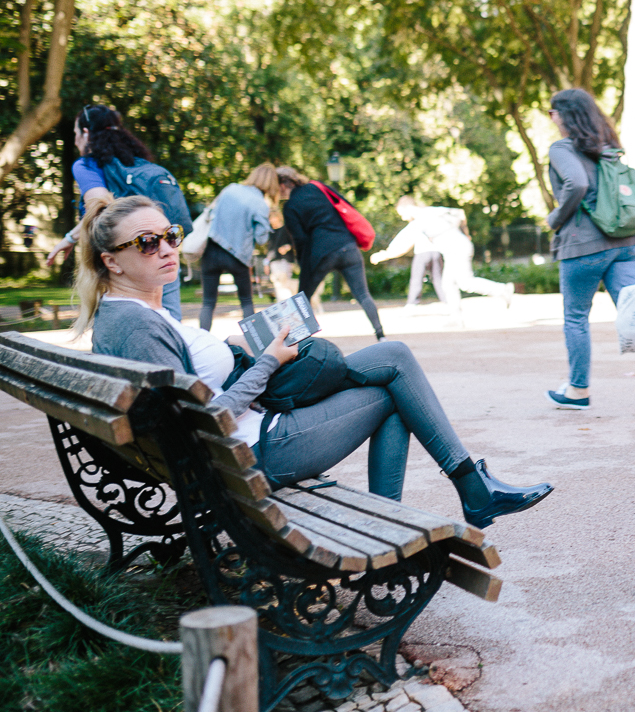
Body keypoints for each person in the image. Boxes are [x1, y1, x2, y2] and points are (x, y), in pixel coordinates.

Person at [74, 195, 553, 525]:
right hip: (252, 454)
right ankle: (447, 500)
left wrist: (239, 352)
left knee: (394, 361)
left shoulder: (130, 313)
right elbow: (202, 419)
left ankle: (458, 496)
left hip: (239, 446)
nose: (166, 249)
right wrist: (266, 361)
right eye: (146, 243)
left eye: (170, 235)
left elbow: (191, 392)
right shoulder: (137, 326)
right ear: (111, 261)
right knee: (394, 381)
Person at [546, 88, 635, 413]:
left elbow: (576, 183)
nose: (550, 117)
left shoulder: (562, 148)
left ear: (564, 114)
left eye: (551, 111)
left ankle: (578, 389)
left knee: (576, 318)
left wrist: (555, 217)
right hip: (624, 243)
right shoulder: (607, 147)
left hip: (583, 246)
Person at [46, 105, 188, 319]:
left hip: (124, 265)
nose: (75, 141)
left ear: (86, 133)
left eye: (76, 134)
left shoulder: (87, 165)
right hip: (162, 253)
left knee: (120, 325)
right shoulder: (137, 165)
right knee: (170, 322)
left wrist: (70, 237)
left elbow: (100, 203)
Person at [277, 167, 384, 340]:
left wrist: (303, 265)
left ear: (282, 185)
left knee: (302, 299)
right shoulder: (317, 187)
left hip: (322, 253)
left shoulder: (290, 207)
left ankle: (302, 342)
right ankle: (381, 335)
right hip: (348, 246)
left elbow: (301, 240)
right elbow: (345, 205)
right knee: (363, 294)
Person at [372, 197, 514, 321]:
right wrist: (465, 233)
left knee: (465, 283)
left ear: (408, 208)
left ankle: (502, 290)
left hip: (457, 250)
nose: (403, 218)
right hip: (457, 248)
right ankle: (456, 318)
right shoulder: (433, 211)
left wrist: (384, 255)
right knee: (448, 284)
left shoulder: (420, 219)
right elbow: (460, 213)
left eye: (402, 214)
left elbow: (404, 244)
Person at [198, 164, 280, 330]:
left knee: (208, 302)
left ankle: (200, 341)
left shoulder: (230, 189)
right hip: (238, 257)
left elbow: (212, 215)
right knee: (246, 301)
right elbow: (261, 239)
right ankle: (252, 343)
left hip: (212, 250)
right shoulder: (260, 204)